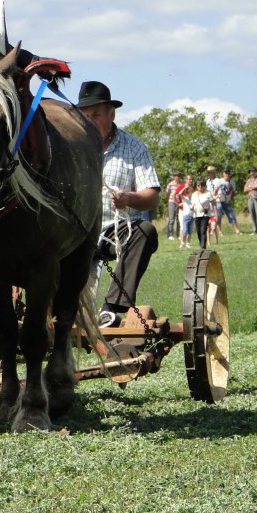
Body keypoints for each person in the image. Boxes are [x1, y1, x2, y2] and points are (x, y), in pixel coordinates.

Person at [79, 81, 161, 328]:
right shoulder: (69, 146)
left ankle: (110, 309)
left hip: (113, 230)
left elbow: (152, 195)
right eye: (84, 116)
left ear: (112, 114)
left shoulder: (133, 147)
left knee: (145, 232)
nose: (90, 120)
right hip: (75, 231)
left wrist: (128, 198)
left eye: (96, 115)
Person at [215, 168, 243, 234]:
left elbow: (233, 192)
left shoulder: (232, 182)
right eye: (225, 173)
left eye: (228, 173)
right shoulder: (219, 181)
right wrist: (215, 198)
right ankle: (219, 231)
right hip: (220, 198)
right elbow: (215, 190)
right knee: (218, 215)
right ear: (223, 174)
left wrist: (231, 199)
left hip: (227, 199)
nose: (227, 175)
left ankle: (237, 230)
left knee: (231, 214)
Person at [189, 179, 213, 250]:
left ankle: (203, 247)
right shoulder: (194, 195)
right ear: (196, 186)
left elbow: (213, 203)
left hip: (205, 215)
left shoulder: (208, 193)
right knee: (198, 231)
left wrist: (214, 213)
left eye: (202, 185)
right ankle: (201, 244)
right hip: (196, 215)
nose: (200, 187)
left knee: (203, 231)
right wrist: (191, 208)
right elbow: (192, 204)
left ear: (204, 186)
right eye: (198, 185)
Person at [243, 166, 257, 234]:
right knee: (252, 214)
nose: (252, 173)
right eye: (250, 172)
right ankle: (254, 230)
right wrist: (250, 188)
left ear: (256, 172)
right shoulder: (249, 180)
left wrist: (249, 187)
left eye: (253, 171)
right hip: (250, 197)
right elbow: (244, 189)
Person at [165, 171, 182, 241]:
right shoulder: (170, 184)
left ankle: (178, 234)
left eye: (178, 176)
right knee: (171, 219)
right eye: (175, 176)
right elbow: (167, 193)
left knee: (179, 219)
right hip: (172, 202)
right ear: (174, 177)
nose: (177, 177)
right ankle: (170, 234)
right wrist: (170, 200)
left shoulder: (181, 185)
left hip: (179, 202)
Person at [178, 173, 193, 249]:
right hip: (185, 215)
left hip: (192, 215)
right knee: (185, 230)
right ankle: (183, 242)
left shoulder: (193, 198)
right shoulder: (185, 198)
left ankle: (188, 243)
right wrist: (185, 188)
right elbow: (179, 193)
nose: (189, 192)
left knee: (190, 231)